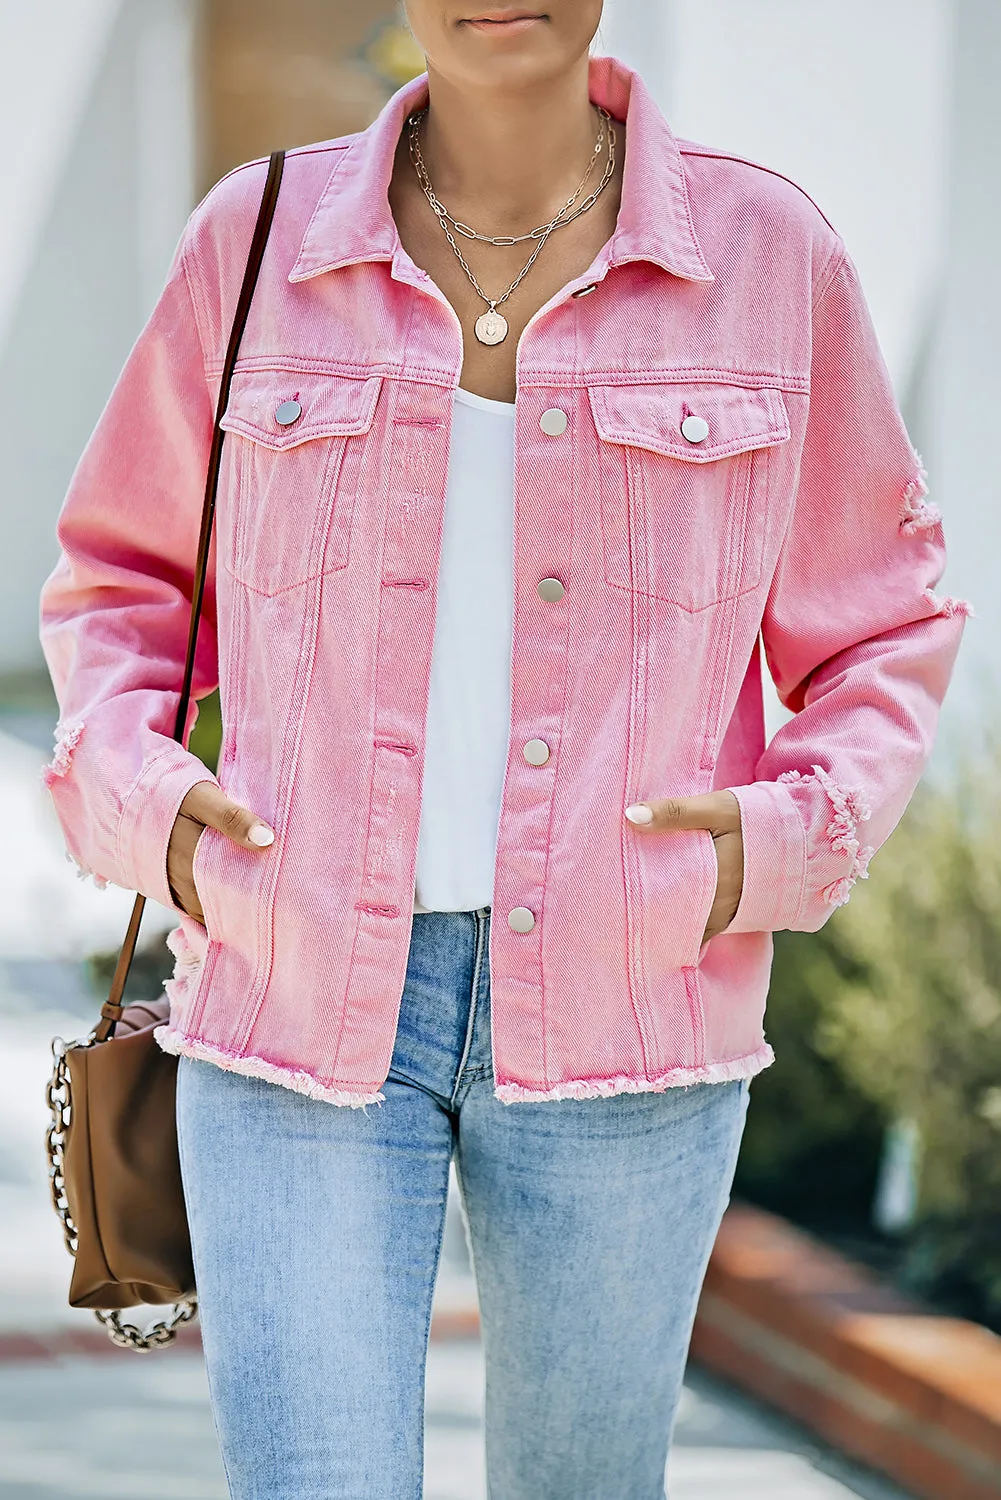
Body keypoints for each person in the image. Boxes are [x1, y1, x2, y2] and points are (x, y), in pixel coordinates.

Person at [39, 3, 965, 1496]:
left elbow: (884, 628)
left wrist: (774, 847)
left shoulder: (768, 255)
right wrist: (157, 817)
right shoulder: (254, 238)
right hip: (294, 994)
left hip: (633, 1006)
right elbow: (118, 582)